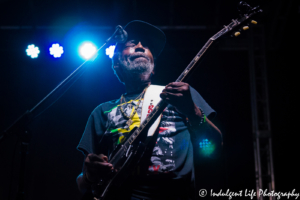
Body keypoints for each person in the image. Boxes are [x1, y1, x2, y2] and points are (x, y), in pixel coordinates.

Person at [76, 20, 222, 200]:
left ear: (153, 67)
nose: (140, 47)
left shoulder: (180, 95)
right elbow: (82, 184)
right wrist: (90, 174)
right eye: (131, 43)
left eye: (146, 45)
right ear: (116, 64)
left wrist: (193, 112)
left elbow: (213, 147)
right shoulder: (102, 112)